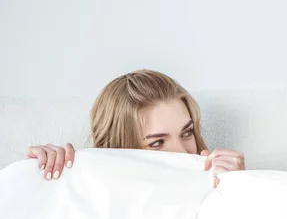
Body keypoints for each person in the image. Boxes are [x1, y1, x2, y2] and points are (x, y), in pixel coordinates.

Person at [26, 70, 245, 180]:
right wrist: (42, 177)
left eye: (187, 132)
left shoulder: (218, 184)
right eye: (157, 142)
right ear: (120, 147)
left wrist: (241, 190)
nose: (184, 152)